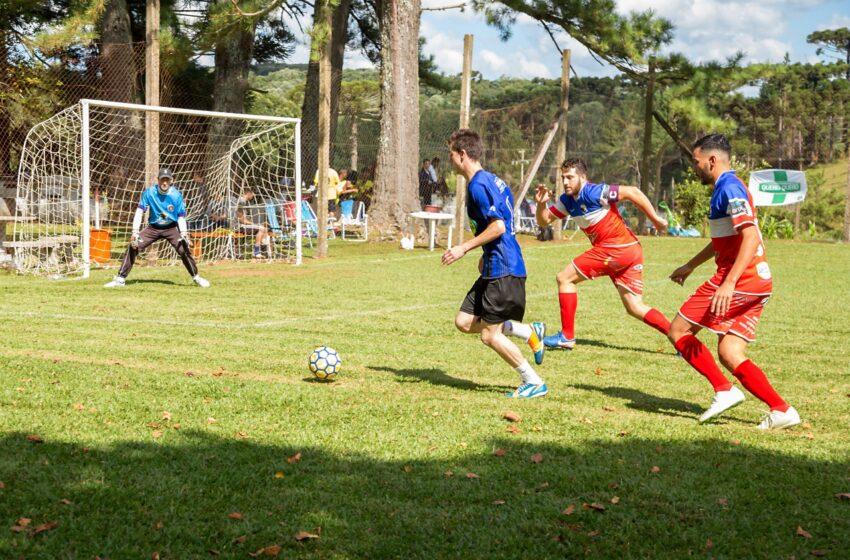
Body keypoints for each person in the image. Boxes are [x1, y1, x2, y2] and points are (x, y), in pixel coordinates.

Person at [667, 133, 800, 429]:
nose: (694, 167)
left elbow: (750, 236)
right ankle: (781, 410)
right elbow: (725, 240)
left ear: (712, 160)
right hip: (759, 282)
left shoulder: (729, 188)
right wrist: (691, 264)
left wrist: (729, 283)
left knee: (678, 330)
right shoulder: (726, 188)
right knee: (730, 351)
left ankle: (723, 390)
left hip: (740, 280)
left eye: (696, 161)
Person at [441, 129, 547, 399]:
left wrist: (464, 247)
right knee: (464, 321)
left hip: (504, 269)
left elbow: (499, 226)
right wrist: (484, 254)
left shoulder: (478, 186)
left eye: (451, 154)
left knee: (489, 335)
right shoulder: (493, 181)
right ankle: (527, 331)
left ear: (462, 155)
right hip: (495, 265)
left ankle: (532, 380)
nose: (449, 159)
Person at [534, 158, 670, 350]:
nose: (565, 182)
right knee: (635, 307)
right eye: (563, 177)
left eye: (570, 177)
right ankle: (680, 336)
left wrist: (655, 219)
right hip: (629, 249)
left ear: (582, 177)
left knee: (564, 278)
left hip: (616, 249)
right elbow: (544, 221)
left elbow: (632, 191)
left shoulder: (594, 191)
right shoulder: (567, 200)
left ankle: (566, 337)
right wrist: (541, 204)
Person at [104, 167, 210, 288]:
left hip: (171, 228)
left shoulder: (176, 196)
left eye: (167, 180)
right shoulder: (149, 193)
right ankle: (120, 279)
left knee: (183, 249)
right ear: (157, 180)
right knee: (134, 245)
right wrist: (135, 232)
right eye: (162, 179)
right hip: (153, 228)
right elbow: (139, 211)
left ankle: (196, 278)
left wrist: (184, 233)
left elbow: (181, 216)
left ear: (171, 180)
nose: (164, 182)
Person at [233, 190, 270, 259]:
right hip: (238, 226)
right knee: (262, 229)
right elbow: (241, 220)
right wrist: (252, 223)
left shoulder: (242, 201)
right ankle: (257, 252)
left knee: (263, 229)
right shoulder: (241, 202)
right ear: (249, 194)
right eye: (253, 195)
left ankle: (262, 250)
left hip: (240, 225)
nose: (253, 197)